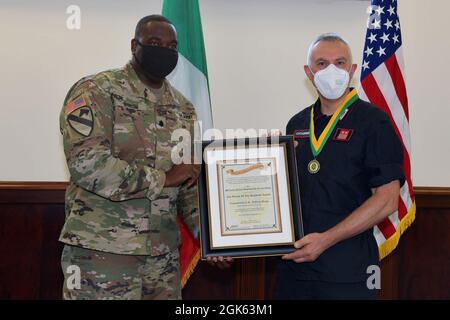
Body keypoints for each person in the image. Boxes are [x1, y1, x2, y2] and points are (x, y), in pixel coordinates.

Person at [59, 14, 200, 300]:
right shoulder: (96, 91)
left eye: (172, 47)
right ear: (134, 45)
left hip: (162, 259)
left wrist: (211, 238)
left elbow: (188, 183)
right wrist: (164, 178)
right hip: (104, 254)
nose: (164, 51)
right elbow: (87, 165)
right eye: (154, 43)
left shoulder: (183, 109)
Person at [275, 33, 405, 300]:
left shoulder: (374, 122)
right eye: (322, 63)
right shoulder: (296, 124)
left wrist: (325, 239)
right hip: (295, 269)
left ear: (352, 70)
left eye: (340, 62)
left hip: (348, 272)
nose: (331, 70)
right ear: (308, 73)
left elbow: (388, 200)